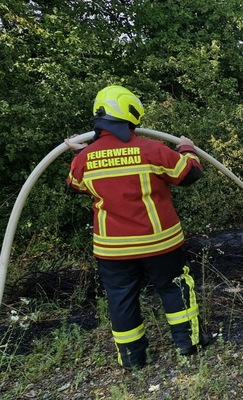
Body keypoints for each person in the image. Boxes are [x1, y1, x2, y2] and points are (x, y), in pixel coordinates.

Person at [65, 85, 212, 370]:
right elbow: (189, 173)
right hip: (159, 241)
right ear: (130, 113)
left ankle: (133, 359)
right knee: (173, 287)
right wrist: (186, 147)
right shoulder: (152, 148)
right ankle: (188, 342)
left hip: (113, 248)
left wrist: (82, 152)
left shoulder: (83, 160)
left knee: (120, 299)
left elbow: (77, 185)